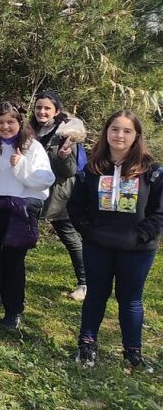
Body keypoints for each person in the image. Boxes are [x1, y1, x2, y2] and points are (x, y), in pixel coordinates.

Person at [69, 110, 163, 371]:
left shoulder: (152, 171)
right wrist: (89, 232)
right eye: (114, 129)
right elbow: (75, 206)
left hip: (137, 249)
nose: (119, 135)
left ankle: (133, 352)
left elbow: (159, 213)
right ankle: (86, 344)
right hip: (98, 245)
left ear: (136, 136)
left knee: (130, 299)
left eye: (127, 130)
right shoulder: (92, 168)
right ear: (106, 132)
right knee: (96, 295)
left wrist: (138, 236)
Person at [0, 102, 54, 329]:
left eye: (10, 122)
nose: (5, 127)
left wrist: (21, 166)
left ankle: (13, 311)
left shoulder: (32, 147)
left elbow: (46, 180)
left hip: (19, 211)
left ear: (20, 123)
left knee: (14, 263)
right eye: (0, 122)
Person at [30, 90, 88, 301]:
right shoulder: (31, 130)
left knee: (70, 238)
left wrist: (63, 156)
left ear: (57, 111)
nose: (42, 112)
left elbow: (70, 171)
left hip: (59, 195)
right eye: (38, 107)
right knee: (19, 234)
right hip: (33, 191)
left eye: (47, 108)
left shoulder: (66, 133)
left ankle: (85, 283)